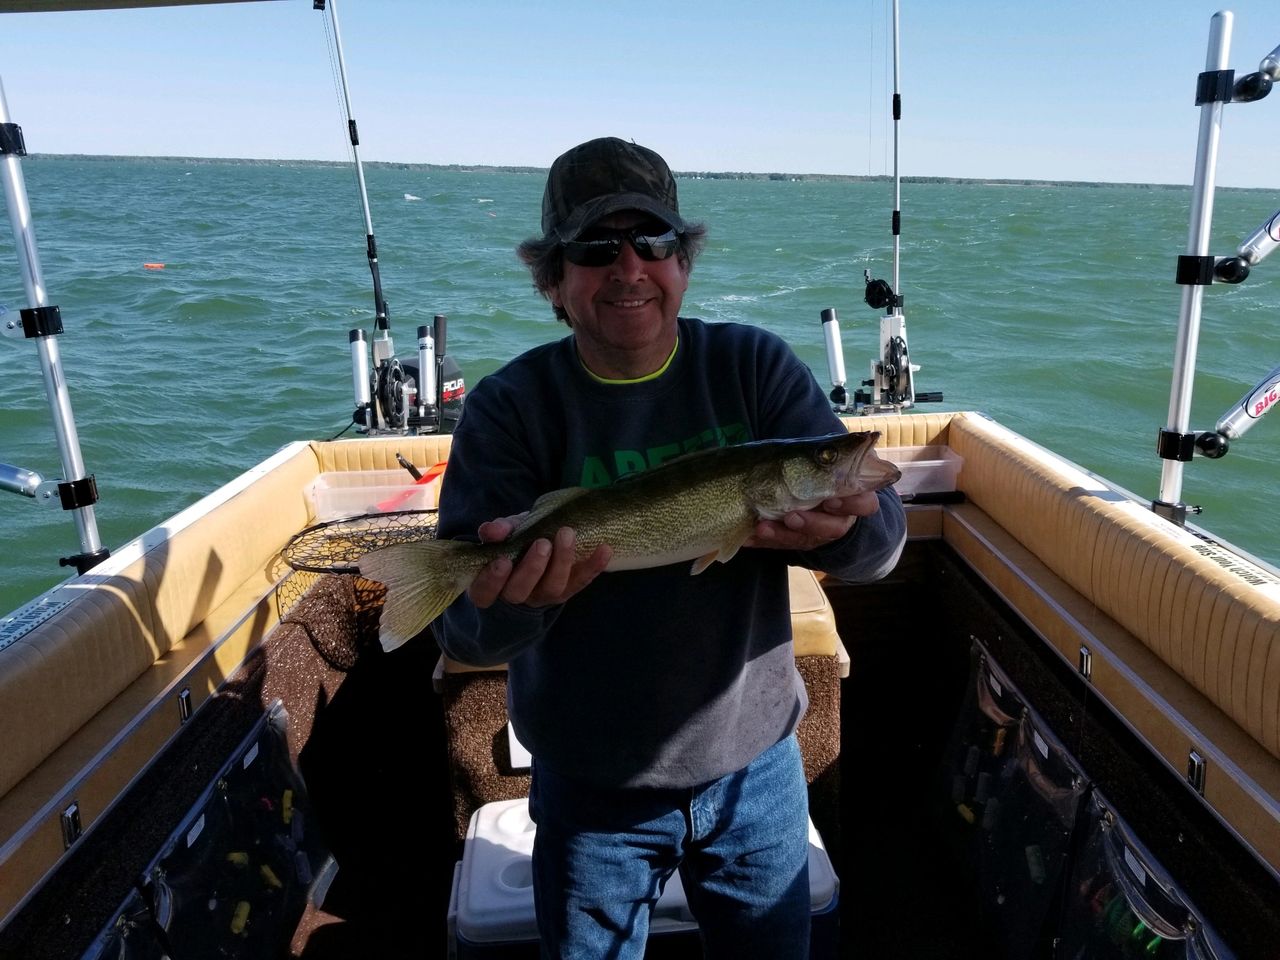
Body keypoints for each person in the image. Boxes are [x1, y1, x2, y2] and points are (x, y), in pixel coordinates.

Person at [433, 136, 906, 959]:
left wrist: (849, 528)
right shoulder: (510, 408)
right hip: (590, 790)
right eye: (594, 248)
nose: (628, 268)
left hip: (757, 771)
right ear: (553, 276)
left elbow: (883, 546)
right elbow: (463, 634)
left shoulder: (753, 368)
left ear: (682, 261)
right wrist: (515, 601)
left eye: (652, 242)